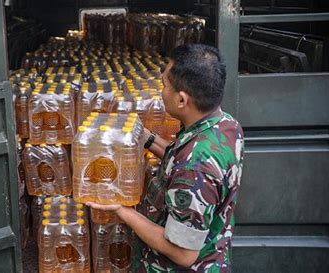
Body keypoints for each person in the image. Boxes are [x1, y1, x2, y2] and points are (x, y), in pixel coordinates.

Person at [86, 44, 244, 272]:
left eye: (164, 85)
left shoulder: (195, 167)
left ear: (182, 100)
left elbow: (183, 253)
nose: (161, 92)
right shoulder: (225, 125)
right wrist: (145, 137)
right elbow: (178, 158)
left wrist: (122, 210)